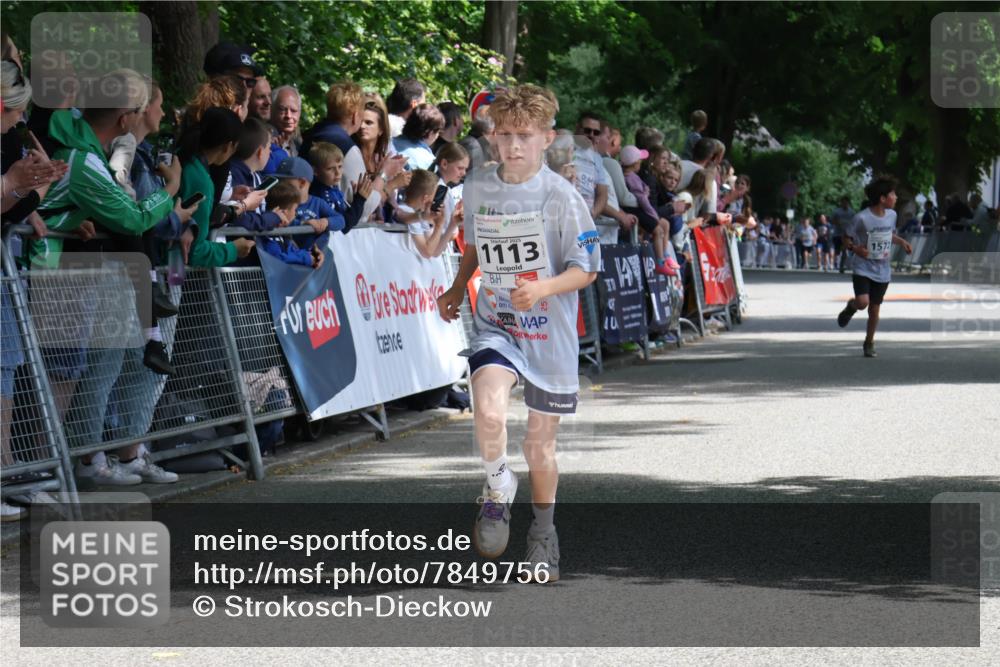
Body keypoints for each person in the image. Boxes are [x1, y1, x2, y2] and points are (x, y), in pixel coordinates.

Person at [436, 85, 601, 582]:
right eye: (504, 135)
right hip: (497, 324)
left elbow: (587, 268)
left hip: (548, 334)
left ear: (546, 138)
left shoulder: (562, 196)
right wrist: (457, 285)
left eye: (524, 136)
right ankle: (496, 487)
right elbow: (479, 243)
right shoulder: (480, 186)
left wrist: (545, 287)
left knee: (538, 447)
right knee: (486, 411)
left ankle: (543, 534)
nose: (512, 146)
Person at [301, 81, 402, 223]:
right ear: (355, 116)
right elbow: (365, 205)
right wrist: (384, 175)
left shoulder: (311, 134)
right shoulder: (347, 148)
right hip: (331, 230)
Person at [836, 175, 913, 357]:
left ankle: (869, 342)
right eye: (893, 194)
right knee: (863, 302)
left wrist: (902, 242)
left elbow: (888, 235)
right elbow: (846, 238)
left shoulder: (892, 215)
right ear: (882, 198)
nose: (896, 197)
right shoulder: (861, 218)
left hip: (882, 270)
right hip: (863, 267)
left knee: (874, 309)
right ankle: (851, 307)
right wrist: (856, 248)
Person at [179, 107, 256, 268]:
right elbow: (195, 251)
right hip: (172, 270)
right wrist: (233, 249)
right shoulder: (201, 180)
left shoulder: (183, 157)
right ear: (228, 146)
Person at [620, 145, 678, 276]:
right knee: (658, 230)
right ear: (635, 163)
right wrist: (653, 215)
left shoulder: (632, 176)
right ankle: (660, 262)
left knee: (664, 226)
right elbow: (643, 201)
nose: (641, 162)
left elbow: (642, 190)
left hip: (638, 210)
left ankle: (665, 256)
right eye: (639, 160)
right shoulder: (632, 177)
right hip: (638, 211)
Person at [351, 94, 409, 222]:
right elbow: (368, 201)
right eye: (360, 122)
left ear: (381, 129)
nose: (362, 126)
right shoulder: (352, 156)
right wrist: (390, 182)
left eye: (369, 123)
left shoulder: (381, 158)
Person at [306, 141, 371, 234]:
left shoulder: (333, 189)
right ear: (315, 171)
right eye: (330, 168)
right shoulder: (321, 194)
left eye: (340, 166)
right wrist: (360, 200)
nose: (337, 172)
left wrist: (357, 200)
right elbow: (345, 225)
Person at [260, 179, 325, 269]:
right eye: (295, 209)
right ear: (283, 212)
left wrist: (310, 254)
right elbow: (277, 259)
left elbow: (292, 250)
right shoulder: (269, 236)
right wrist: (307, 259)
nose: (296, 213)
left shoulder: (282, 233)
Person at [397, 168, 453, 259]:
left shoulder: (420, 215)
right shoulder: (407, 211)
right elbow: (427, 252)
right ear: (425, 198)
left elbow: (435, 251)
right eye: (434, 195)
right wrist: (438, 227)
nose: (434, 200)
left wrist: (450, 224)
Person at [262, 85, 302, 174]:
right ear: (271, 110)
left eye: (293, 110)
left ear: (299, 113)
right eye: (282, 109)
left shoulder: (298, 143)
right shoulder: (263, 141)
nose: (288, 115)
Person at [392, 103, 445, 171]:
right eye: (438, 132)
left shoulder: (388, 143)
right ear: (431, 133)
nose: (437, 136)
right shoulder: (430, 162)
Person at [830, 196, 855, 273]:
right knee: (838, 251)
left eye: (846, 202)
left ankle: (841, 266)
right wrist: (838, 224)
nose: (844, 204)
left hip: (847, 234)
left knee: (844, 250)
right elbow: (832, 221)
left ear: (848, 203)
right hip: (838, 234)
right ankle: (836, 263)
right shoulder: (837, 211)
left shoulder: (852, 212)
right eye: (843, 202)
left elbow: (854, 222)